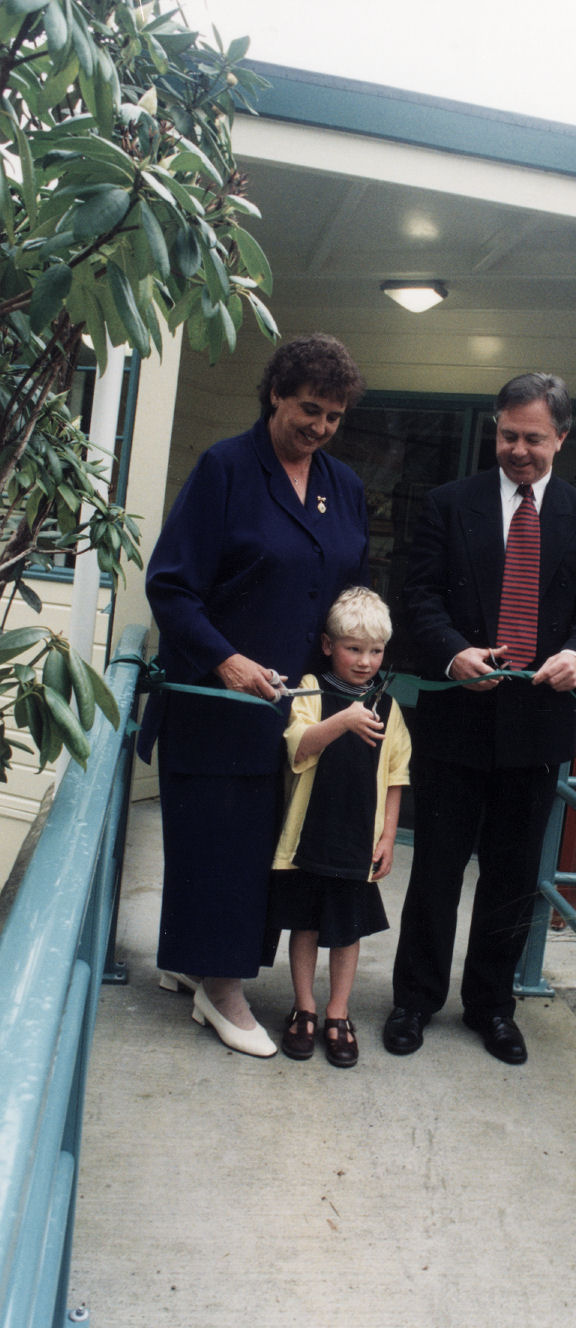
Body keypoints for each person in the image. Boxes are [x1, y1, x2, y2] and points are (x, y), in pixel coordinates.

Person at [137, 333, 370, 1058]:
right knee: (218, 845)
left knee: (262, 849)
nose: (319, 427)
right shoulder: (225, 470)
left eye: (333, 415)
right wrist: (226, 660)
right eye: (309, 408)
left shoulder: (345, 486)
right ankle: (222, 989)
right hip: (217, 703)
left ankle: (194, 959)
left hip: (295, 710)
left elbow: (344, 598)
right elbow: (170, 585)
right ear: (274, 393)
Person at [383, 371, 576, 1065]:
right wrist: (453, 653)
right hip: (456, 721)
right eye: (507, 435)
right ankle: (414, 1000)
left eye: (533, 439)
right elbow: (419, 596)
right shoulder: (446, 504)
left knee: (512, 877)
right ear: (495, 429)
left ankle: (490, 1006)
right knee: (433, 870)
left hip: (536, 728)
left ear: (561, 438)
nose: (518, 450)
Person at [267, 587, 411, 1068]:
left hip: (357, 842)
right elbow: (299, 746)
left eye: (375, 651)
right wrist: (344, 719)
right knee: (305, 924)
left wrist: (388, 837)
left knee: (346, 932)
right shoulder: (311, 688)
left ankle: (337, 1013)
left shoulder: (389, 708)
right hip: (310, 838)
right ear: (329, 646)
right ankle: (303, 1008)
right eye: (354, 648)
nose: (365, 661)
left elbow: (395, 777)